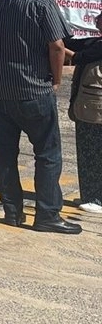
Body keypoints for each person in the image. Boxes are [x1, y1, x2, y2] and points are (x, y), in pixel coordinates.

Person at [0, 0, 80, 234]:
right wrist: (57, 80)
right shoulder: (41, 1)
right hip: (33, 88)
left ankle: (12, 211)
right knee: (48, 153)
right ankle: (47, 214)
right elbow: (57, 46)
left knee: (5, 151)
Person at [66, 14, 102, 214]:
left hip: (96, 110)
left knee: (95, 153)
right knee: (87, 151)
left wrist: (58, 47)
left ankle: (98, 199)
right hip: (88, 108)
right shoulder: (96, 42)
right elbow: (75, 43)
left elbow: (79, 57)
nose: (97, 20)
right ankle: (90, 194)